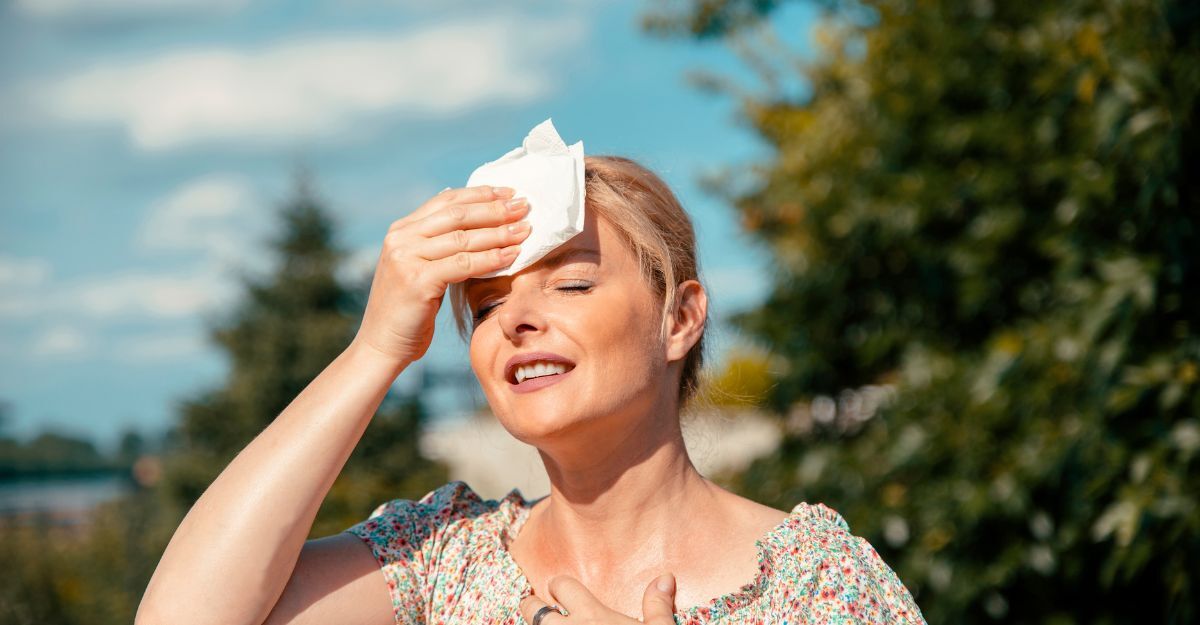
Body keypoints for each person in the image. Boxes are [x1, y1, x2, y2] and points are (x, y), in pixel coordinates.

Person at [136, 155, 927, 625]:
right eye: (484, 305)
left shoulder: (822, 582)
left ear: (680, 318)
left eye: (573, 284)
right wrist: (376, 347)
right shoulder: (439, 558)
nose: (518, 319)